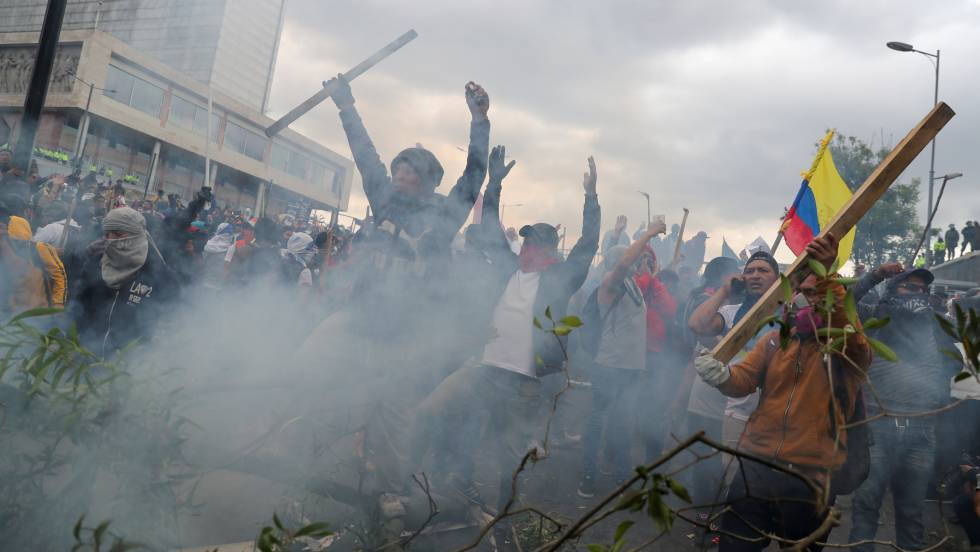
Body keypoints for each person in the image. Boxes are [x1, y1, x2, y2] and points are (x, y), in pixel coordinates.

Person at [409, 147, 600, 510]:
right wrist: (494, 182)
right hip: (483, 367)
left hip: (523, 382)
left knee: (508, 453)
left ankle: (505, 516)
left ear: (549, 247)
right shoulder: (507, 268)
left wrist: (591, 198)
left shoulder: (560, 278)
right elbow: (493, 225)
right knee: (441, 413)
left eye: (536, 241)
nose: (528, 245)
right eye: (526, 239)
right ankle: (456, 483)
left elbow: (587, 246)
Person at [694, 233, 873, 551]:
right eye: (802, 292)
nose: (807, 298)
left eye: (815, 292)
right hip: (756, 467)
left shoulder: (846, 347)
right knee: (735, 546)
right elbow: (744, 379)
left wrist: (827, 274)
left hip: (810, 477)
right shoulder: (776, 340)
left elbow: (854, 338)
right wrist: (721, 376)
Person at [847, 264, 962, 552]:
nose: (918, 294)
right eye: (909, 287)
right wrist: (875, 276)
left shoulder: (936, 325)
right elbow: (843, 303)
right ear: (892, 290)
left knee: (912, 512)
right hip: (876, 428)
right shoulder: (874, 317)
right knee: (866, 505)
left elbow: (955, 361)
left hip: (921, 432)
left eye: (923, 290)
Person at [578, 221, 666, 498]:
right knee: (598, 421)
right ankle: (588, 477)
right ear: (620, 263)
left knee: (622, 421)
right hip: (609, 365)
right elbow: (623, 263)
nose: (640, 262)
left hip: (629, 368)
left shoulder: (632, 286)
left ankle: (620, 476)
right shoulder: (611, 282)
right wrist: (648, 234)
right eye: (635, 259)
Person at [688, 250, 781, 489]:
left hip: (777, 412)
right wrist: (725, 291)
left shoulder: (789, 313)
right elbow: (697, 324)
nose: (755, 275)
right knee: (734, 479)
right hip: (737, 412)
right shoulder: (731, 313)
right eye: (749, 271)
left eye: (763, 270)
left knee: (769, 479)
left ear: (777, 278)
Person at [71, 207, 179, 357]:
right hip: (87, 356)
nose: (111, 239)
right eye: (108, 234)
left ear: (136, 235)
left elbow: (169, 323)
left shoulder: (159, 274)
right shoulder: (96, 264)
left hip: (130, 366)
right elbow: (78, 307)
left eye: (119, 234)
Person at [1, 213, 67, 313]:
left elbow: (59, 275)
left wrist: (58, 304)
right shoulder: (6, 251)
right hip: (16, 310)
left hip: (41, 308)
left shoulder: (40, 248)